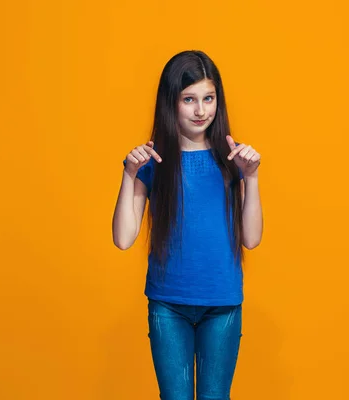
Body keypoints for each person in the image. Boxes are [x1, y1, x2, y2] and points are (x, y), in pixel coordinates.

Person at [112, 50, 263, 400]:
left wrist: (251, 178)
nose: (201, 111)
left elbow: (252, 239)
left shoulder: (234, 161)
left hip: (221, 303)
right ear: (172, 102)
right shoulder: (153, 163)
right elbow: (123, 238)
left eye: (208, 98)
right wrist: (128, 173)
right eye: (189, 99)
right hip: (168, 304)